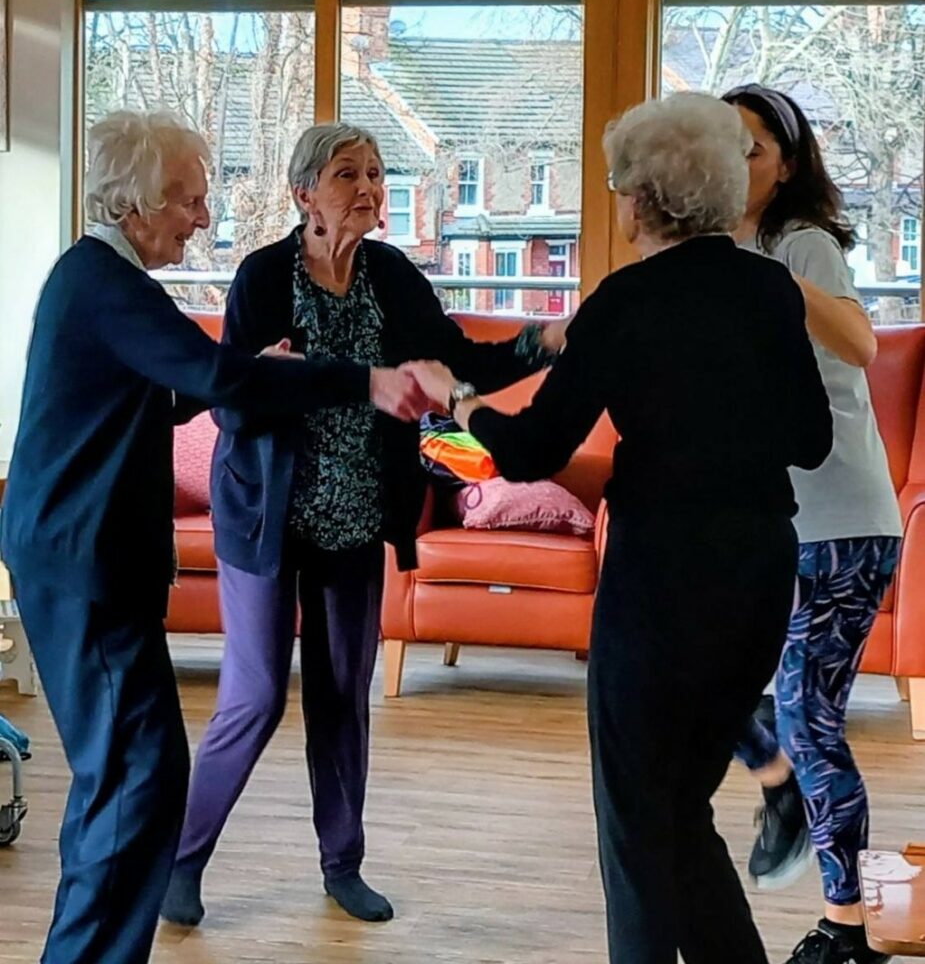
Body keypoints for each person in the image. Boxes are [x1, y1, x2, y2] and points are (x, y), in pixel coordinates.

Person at [406, 92, 833, 964]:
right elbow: (812, 441)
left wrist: (453, 406)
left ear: (643, 197)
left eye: (615, 185)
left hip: (659, 582)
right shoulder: (767, 289)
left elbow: (527, 451)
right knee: (681, 813)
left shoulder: (623, 300)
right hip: (757, 570)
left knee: (636, 825)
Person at [0, 109, 432, 964]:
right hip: (82, 566)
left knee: (132, 781)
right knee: (133, 783)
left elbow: (164, 393)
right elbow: (211, 372)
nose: (202, 217)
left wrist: (255, 375)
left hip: (79, 561)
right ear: (135, 203)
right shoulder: (107, 285)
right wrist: (363, 381)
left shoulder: (104, 283)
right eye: (190, 200)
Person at [160, 122, 568, 928]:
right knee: (254, 696)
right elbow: (239, 396)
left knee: (345, 694)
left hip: (355, 520)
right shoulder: (262, 276)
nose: (368, 189)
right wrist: (316, 380)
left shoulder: (389, 274)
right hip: (267, 518)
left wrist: (547, 340)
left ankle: (342, 863)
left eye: (377, 174)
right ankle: (179, 861)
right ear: (303, 192)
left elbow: (455, 361)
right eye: (348, 174)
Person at [723, 83, 903, 964]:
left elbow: (862, 345)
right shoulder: (718, 248)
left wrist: (771, 281)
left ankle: (847, 932)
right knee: (698, 679)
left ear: (786, 165)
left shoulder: (802, 242)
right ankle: (779, 780)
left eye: (751, 148)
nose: (733, 161)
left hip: (839, 522)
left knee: (809, 717)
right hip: (763, 521)